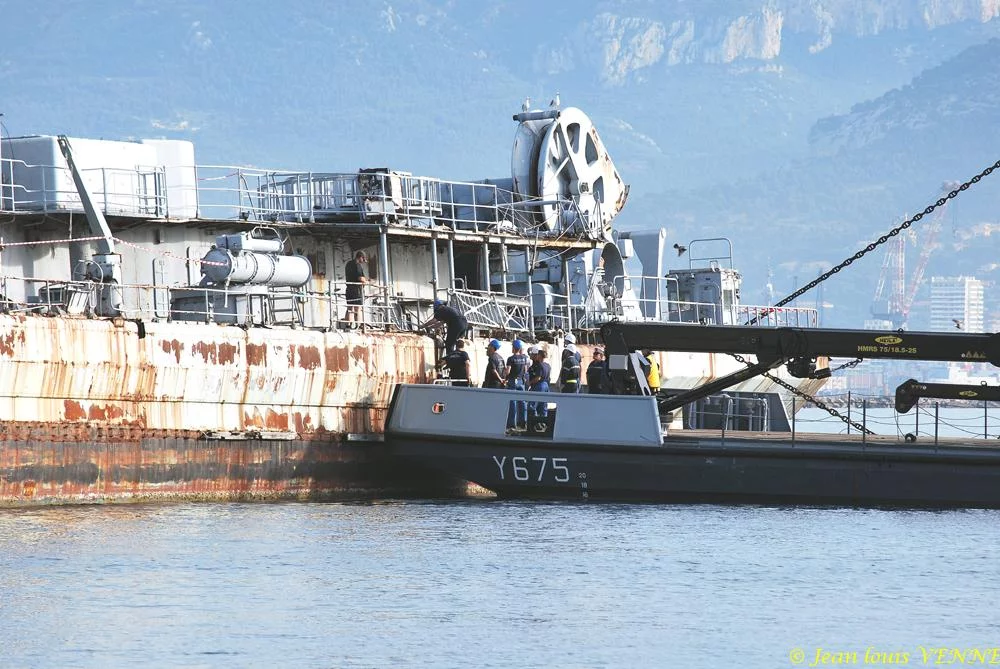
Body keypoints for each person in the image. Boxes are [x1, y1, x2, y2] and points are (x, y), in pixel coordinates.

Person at [504, 339, 530, 430]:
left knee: (513, 402)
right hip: (521, 381)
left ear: (514, 348)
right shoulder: (524, 358)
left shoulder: (511, 359)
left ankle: (512, 424)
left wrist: (505, 377)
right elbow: (526, 370)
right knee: (522, 402)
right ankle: (523, 422)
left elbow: (508, 371)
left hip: (512, 381)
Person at [344, 250, 368, 327]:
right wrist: (366, 281)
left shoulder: (348, 264)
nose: (363, 261)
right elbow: (360, 278)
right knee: (358, 308)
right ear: (360, 257)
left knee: (350, 308)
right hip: (357, 290)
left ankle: (348, 325)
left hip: (349, 289)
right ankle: (359, 325)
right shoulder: (357, 265)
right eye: (363, 259)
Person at [527, 347, 551, 420]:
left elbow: (538, 378)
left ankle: (534, 421)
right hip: (546, 385)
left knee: (532, 405)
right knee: (543, 405)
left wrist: (529, 383)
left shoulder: (540, 365)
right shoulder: (548, 365)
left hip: (539, 386)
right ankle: (543, 422)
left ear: (539, 356)